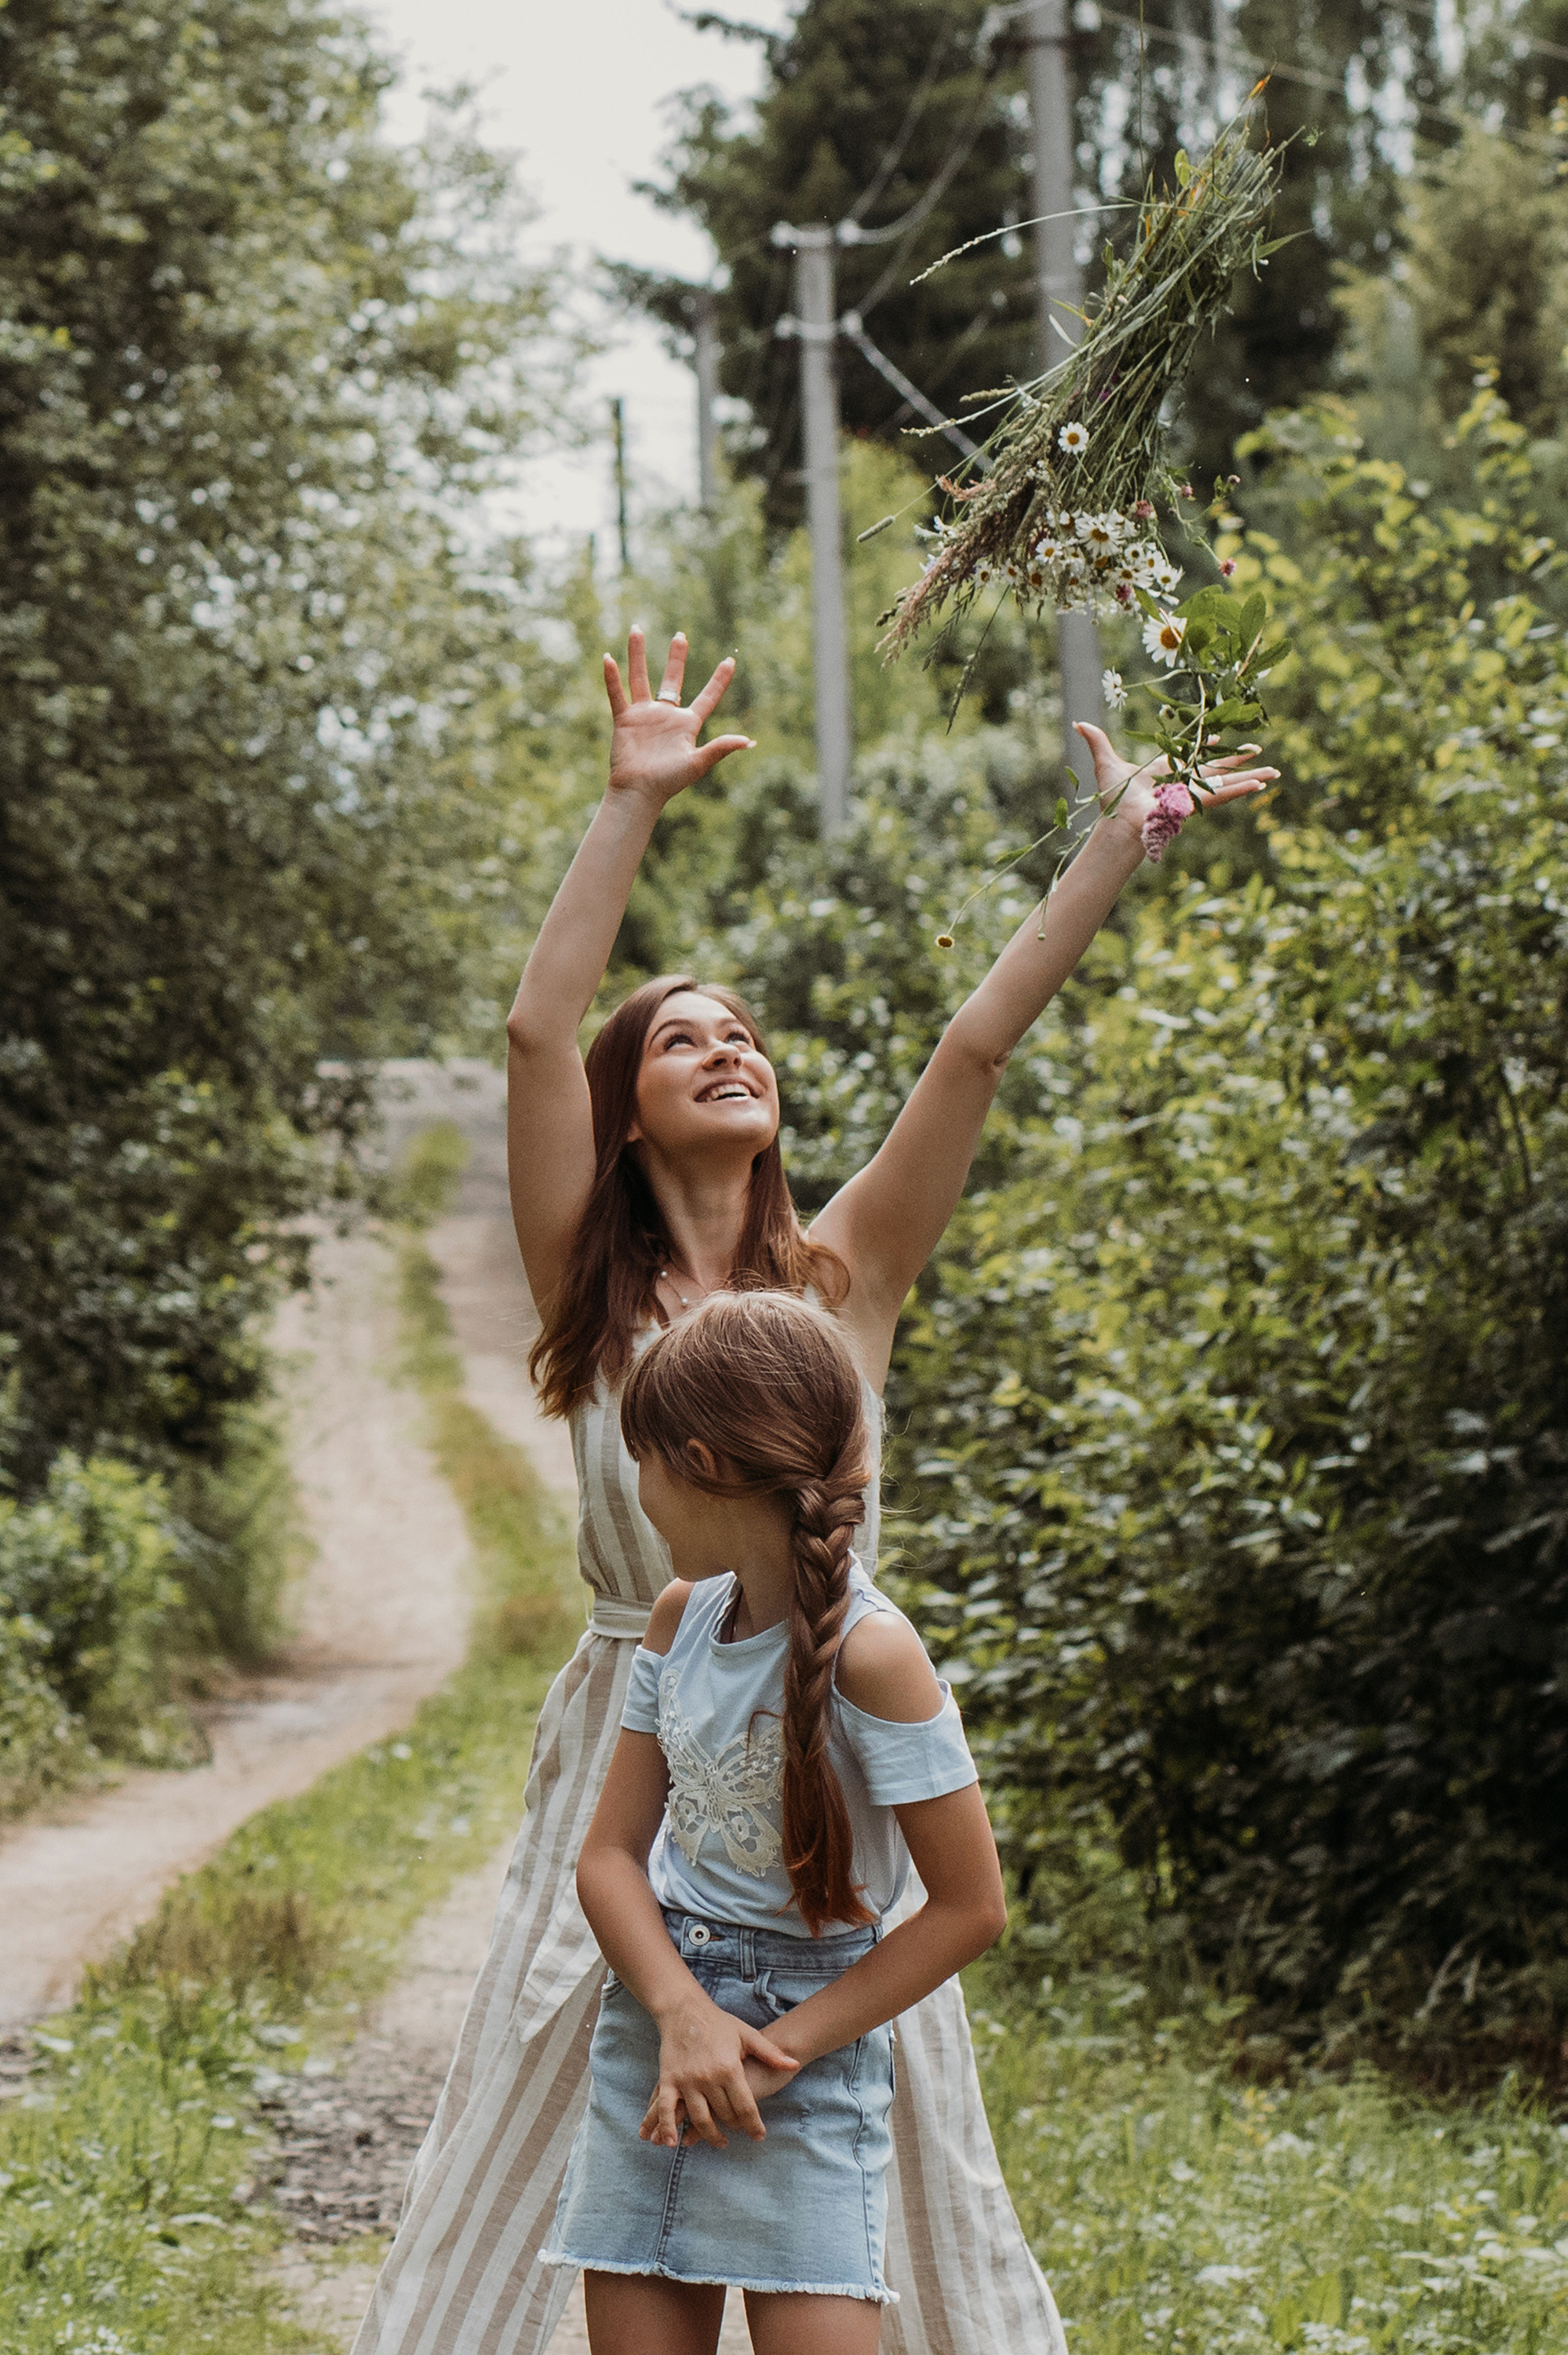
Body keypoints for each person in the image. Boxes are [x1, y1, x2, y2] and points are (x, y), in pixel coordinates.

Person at [352, 629, 1277, 2355]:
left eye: (744, 1035)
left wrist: (1117, 843)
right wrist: (630, 802)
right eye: (681, 1038)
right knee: (586, 2078)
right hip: (642, 1706)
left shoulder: (843, 1278)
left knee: (844, 2093)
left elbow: (975, 1049)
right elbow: (537, 1023)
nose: (724, 1049)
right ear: (628, 1114)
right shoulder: (591, 1290)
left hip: (825, 1730)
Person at [541, 1288, 1007, 2355]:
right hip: (656, 2035)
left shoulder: (875, 1656)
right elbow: (609, 1859)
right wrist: (681, 2016)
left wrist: (774, 2050)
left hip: (801, 2056)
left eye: (642, 1466)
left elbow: (969, 1907)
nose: (640, 1496)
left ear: (699, 1462)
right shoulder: (679, 1620)